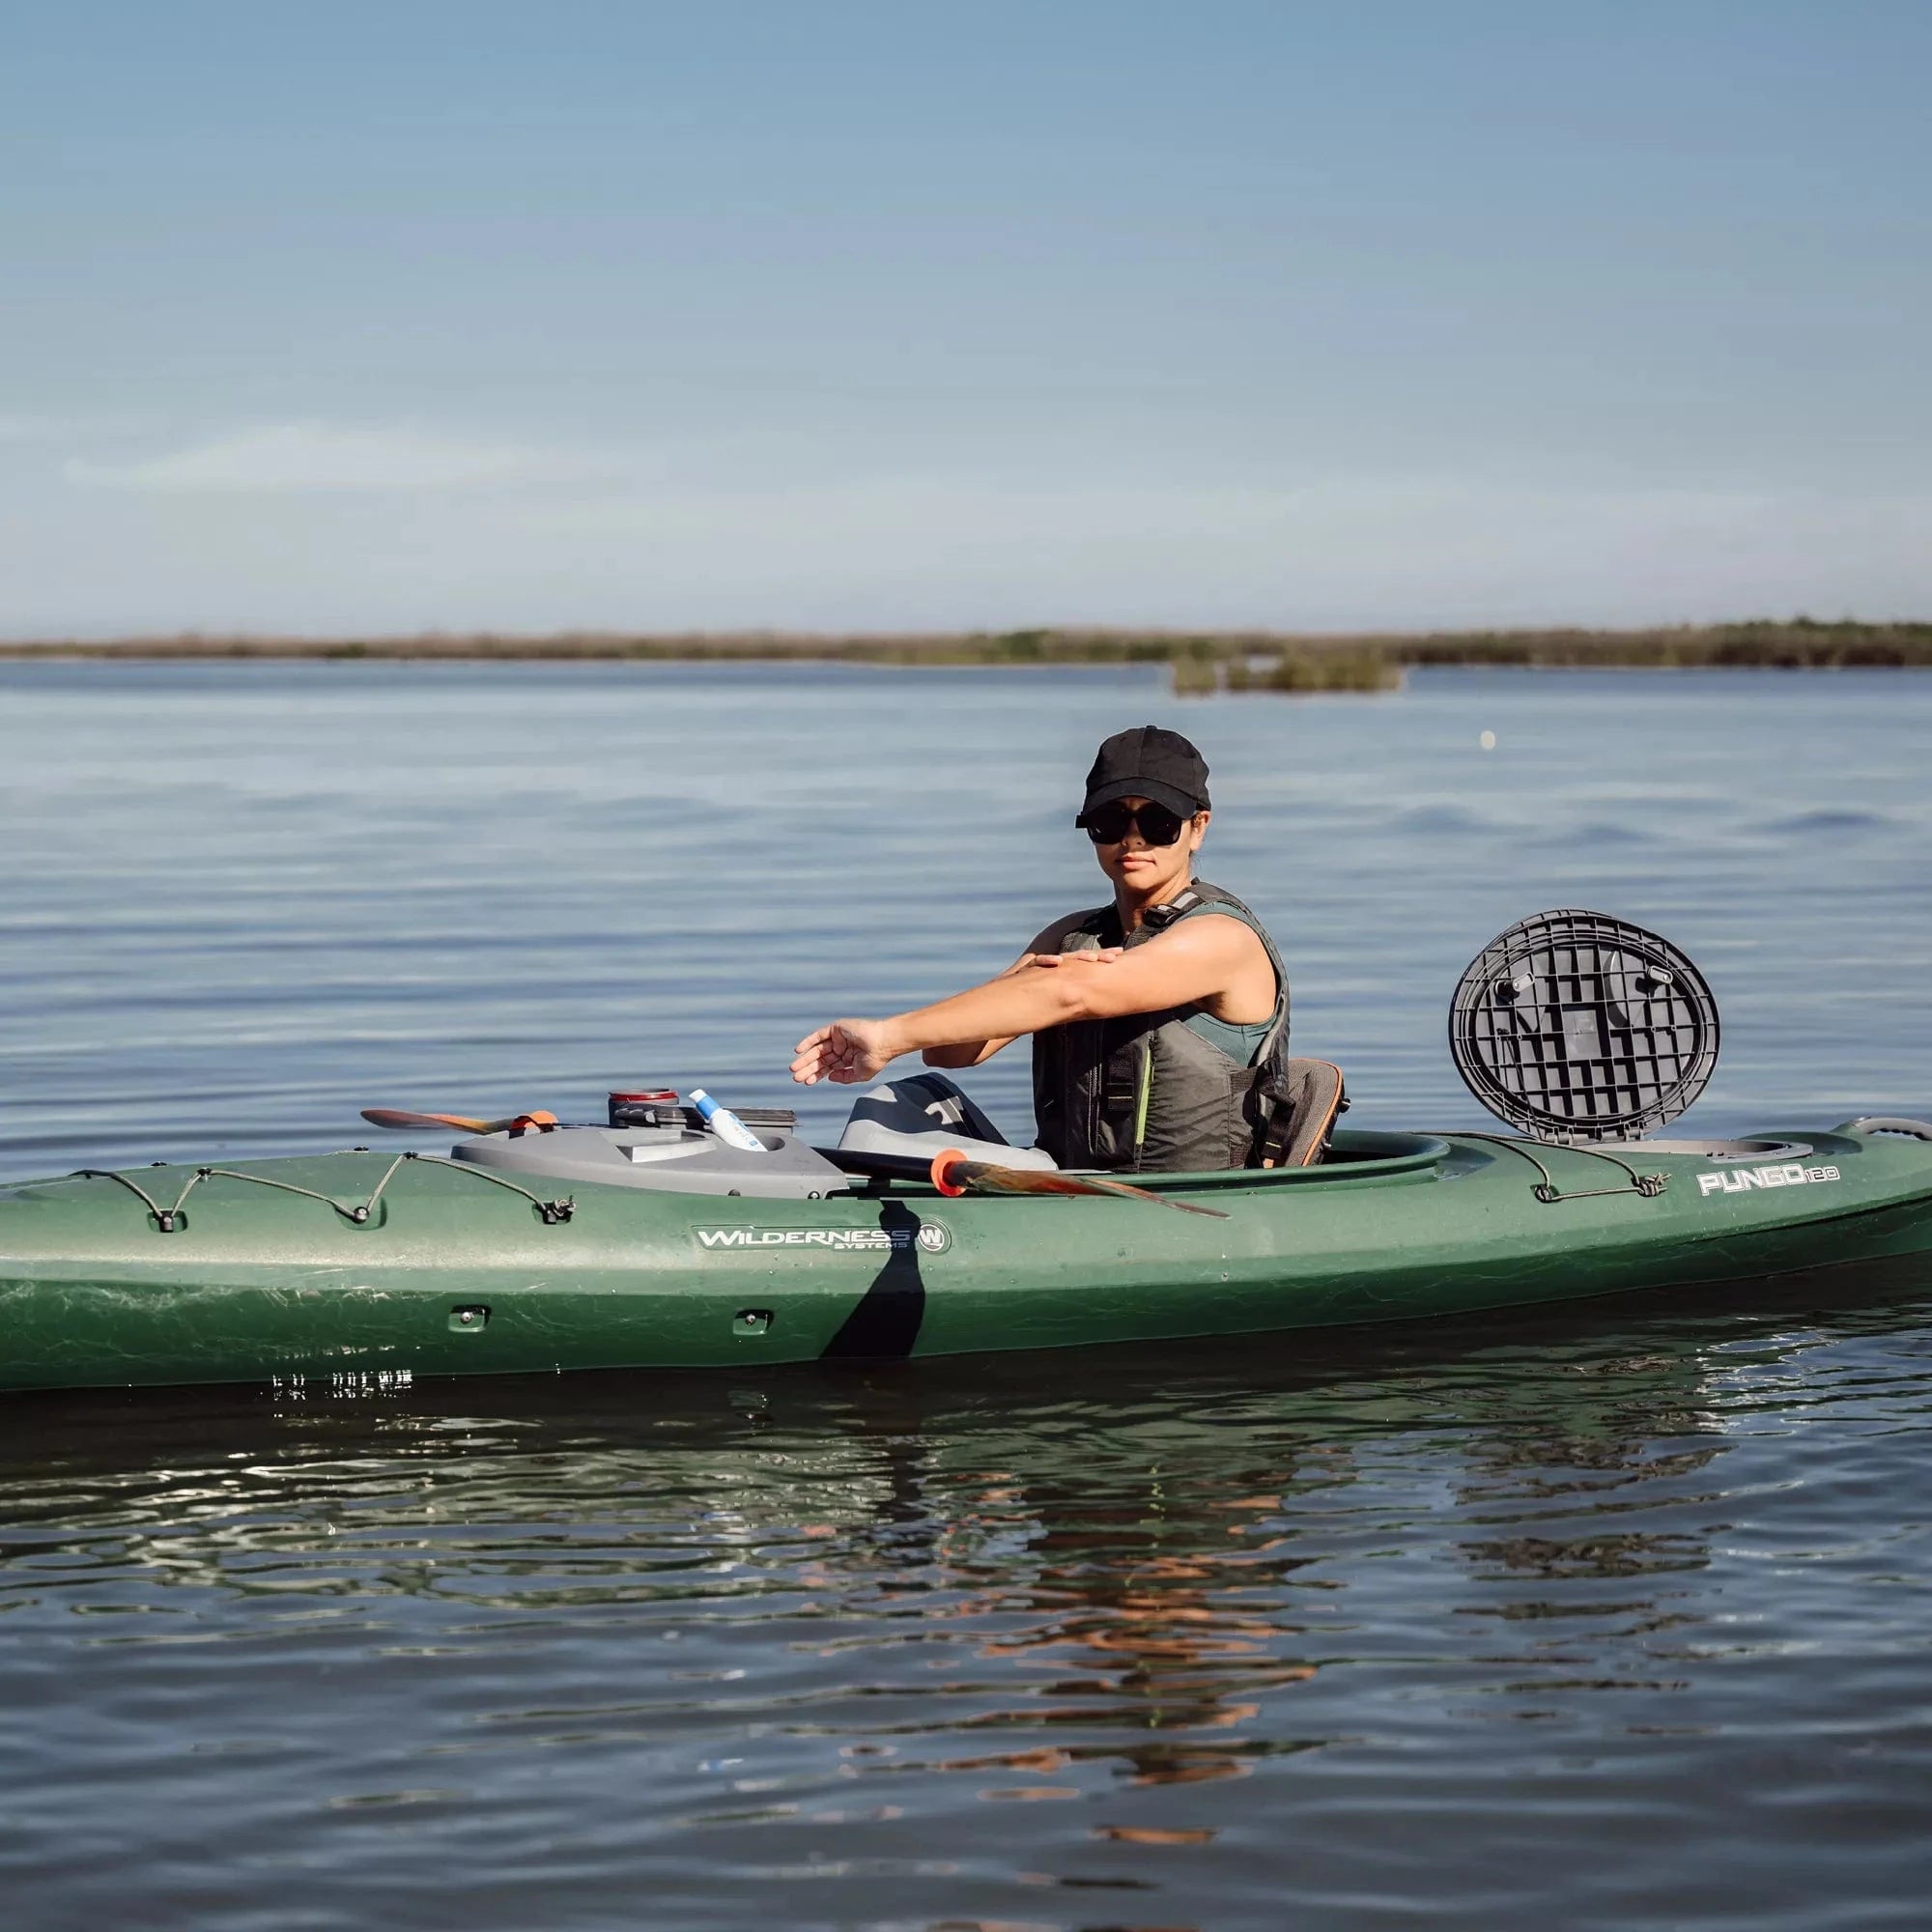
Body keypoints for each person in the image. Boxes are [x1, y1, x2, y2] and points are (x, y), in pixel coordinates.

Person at [791, 725, 1291, 1172]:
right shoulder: (1071, 937)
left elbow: (1073, 995)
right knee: (897, 1102)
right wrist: (1031, 975)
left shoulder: (1223, 938)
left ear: (1197, 827)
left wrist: (887, 1036)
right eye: (1110, 823)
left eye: (1158, 823)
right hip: (1068, 1185)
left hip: (1187, 1199)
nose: (1132, 840)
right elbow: (951, 1052)